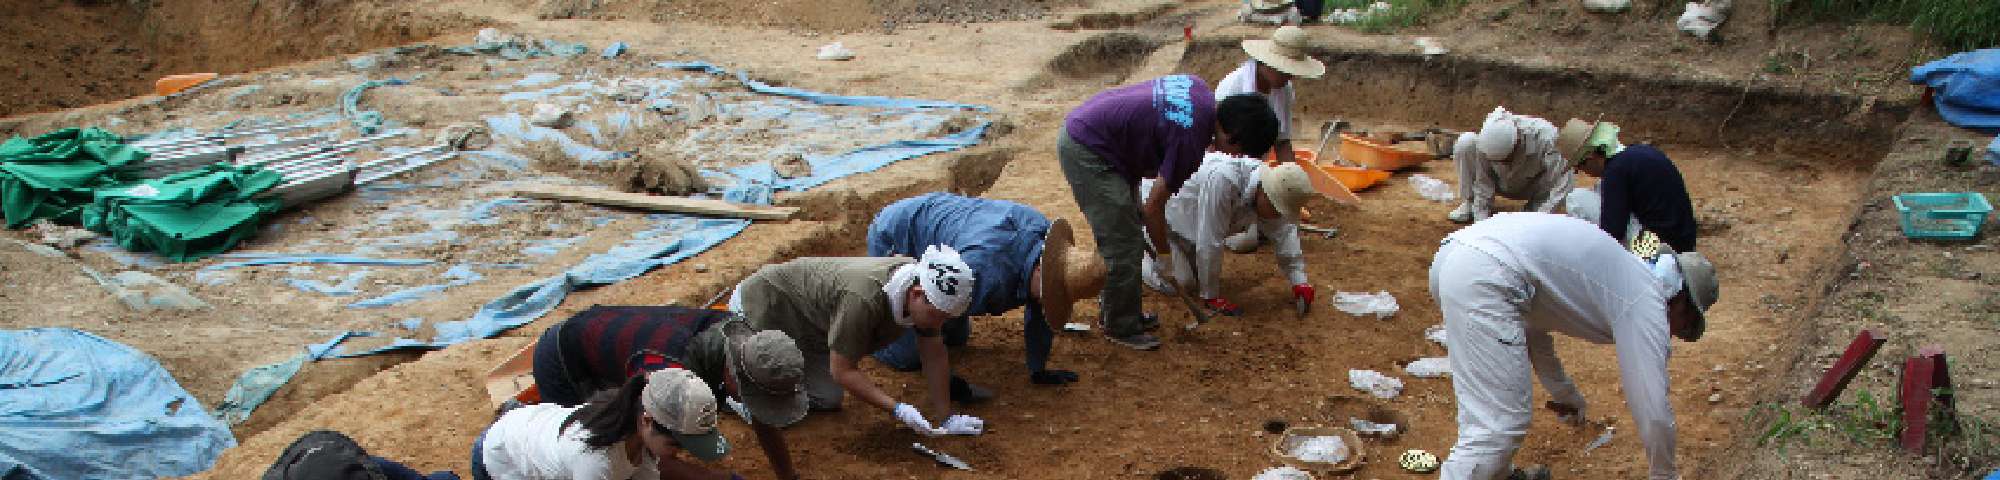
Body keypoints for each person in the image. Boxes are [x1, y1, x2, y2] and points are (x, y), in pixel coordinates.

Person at [1428, 213, 1719, 480]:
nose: (1672, 335)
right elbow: (1652, 405)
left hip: (1458, 257)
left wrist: (1565, 395)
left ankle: (1499, 475)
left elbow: (1532, 330)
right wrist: (1664, 475)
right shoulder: (1647, 300)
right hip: (1486, 274)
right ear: (1681, 303)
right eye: (1682, 327)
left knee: (1488, 408)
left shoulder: (1623, 277)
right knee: (1497, 426)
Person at [1058, 74, 1280, 350]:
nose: (1234, 158)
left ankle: (1121, 310)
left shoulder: (1200, 92)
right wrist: (1164, 257)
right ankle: (1120, 325)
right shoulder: (1191, 141)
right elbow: (1154, 209)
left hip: (1105, 134)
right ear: (1233, 137)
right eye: (1240, 152)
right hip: (1088, 148)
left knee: (1128, 228)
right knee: (1124, 242)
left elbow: (1145, 130)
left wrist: (1135, 195)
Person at [729, 246, 987, 437]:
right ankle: (731, 389)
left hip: (815, 328)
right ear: (917, 293)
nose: (939, 325)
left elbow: (934, 353)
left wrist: (945, 418)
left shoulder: (921, 295)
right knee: (774, 406)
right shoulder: (864, 300)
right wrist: (897, 409)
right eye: (938, 316)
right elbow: (842, 370)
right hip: (765, 308)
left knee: (826, 398)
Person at [529, 305, 809, 480]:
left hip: (615, 339)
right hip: (566, 359)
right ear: (732, 375)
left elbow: (760, 408)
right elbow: (654, 452)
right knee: (589, 453)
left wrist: (788, 477)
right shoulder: (667, 374)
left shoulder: (750, 347)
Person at [866, 192, 1106, 385]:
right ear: (1039, 270)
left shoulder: (1044, 243)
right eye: (1051, 293)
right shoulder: (984, 272)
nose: (1049, 301)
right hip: (896, 235)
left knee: (958, 338)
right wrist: (944, 379)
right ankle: (870, 339)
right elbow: (930, 304)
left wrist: (1038, 368)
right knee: (909, 355)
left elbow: (1040, 306)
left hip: (944, 233)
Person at [1139, 154, 1352, 316]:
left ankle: (1181, 255)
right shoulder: (1224, 180)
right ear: (1264, 192)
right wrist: (1211, 296)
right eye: (1276, 208)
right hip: (1160, 218)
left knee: (1195, 276)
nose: (1276, 215)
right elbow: (1210, 241)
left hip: (1191, 225)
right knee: (1183, 283)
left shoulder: (1270, 191)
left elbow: (1284, 231)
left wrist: (1299, 280)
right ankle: (1143, 256)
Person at [475, 368, 741, 480]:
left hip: (533, 427)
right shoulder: (596, 463)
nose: (680, 453)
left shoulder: (633, 420)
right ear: (648, 421)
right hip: (504, 456)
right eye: (677, 444)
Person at [1556, 118, 1699, 254]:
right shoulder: (1636, 153)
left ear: (1591, 157)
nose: (1584, 173)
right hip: (1684, 241)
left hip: (1657, 249)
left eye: (1579, 167)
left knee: (1577, 198)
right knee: (1599, 189)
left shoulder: (1615, 171)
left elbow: (1613, 232)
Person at [1217, 26, 1325, 166]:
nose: (1289, 77)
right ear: (1266, 64)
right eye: (1284, 72)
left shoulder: (1284, 90)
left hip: (1255, 166)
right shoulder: (1232, 87)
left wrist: (1292, 175)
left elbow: (1282, 142)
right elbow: (1218, 142)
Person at [1447, 106, 1575, 224]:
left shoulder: (1547, 138)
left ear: (1518, 143)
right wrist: (1481, 222)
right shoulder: (1487, 138)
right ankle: (1470, 202)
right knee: (1466, 141)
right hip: (1501, 183)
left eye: (1506, 159)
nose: (1503, 164)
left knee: (1555, 175)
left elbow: (1563, 184)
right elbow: (1483, 182)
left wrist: (1539, 220)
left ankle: (1535, 210)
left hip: (1531, 186)